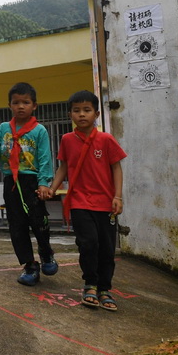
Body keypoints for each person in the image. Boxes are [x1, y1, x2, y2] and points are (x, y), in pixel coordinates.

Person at [40, 90, 126, 311]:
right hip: (79, 202)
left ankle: (104, 289)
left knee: (106, 248)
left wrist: (117, 196)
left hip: (105, 204)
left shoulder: (106, 139)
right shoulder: (67, 140)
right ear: (70, 114)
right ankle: (90, 284)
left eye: (87, 110)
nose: (81, 114)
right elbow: (64, 167)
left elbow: (116, 168)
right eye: (76, 110)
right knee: (88, 243)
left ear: (96, 113)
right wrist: (52, 189)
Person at [0, 82, 57, 286]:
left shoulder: (39, 131)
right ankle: (29, 265)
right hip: (12, 182)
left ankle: (46, 252)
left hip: (32, 182)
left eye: (26, 102)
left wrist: (44, 183)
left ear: (34, 105)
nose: (21, 106)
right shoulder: (4, 129)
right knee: (17, 225)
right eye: (16, 103)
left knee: (39, 221)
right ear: (10, 105)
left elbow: (44, 158)